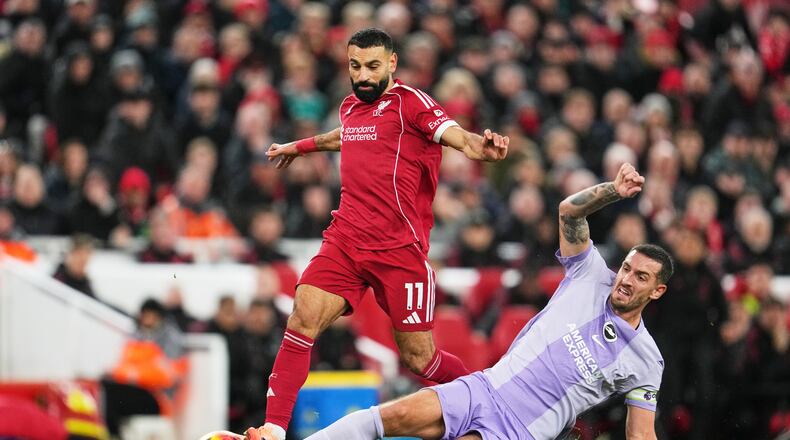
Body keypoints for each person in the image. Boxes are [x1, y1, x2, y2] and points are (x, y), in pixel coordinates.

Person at [250, 28, 509, 440]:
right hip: (347, 240)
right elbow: (344, 137)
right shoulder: (350, 107)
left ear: (391, 63)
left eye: (372, 66)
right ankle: (273, 429)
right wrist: (296, 148)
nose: (363, 76)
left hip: (399, 251)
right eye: (355, 66)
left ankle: (500, 405)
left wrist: (482, 147)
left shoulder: (412, 104)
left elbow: (457, 136)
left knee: (420, 361)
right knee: (302, 319)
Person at [290, 163, 673, 440]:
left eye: (640, 277)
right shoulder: (590, 273)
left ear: (658, 291)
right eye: (626, 268)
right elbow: (568, 211)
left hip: (520, 430)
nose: (625, 279)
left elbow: (640, 434)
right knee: (396, 414)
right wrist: (612, 191)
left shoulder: (645, 360)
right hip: (485, 387)